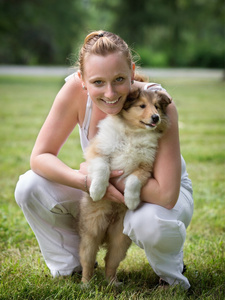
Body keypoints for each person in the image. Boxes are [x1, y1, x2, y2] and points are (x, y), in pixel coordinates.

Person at [14, 30, 193, 290]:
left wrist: (109, 179)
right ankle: (70, 267)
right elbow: (40, 157)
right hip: (105, 185)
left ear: (132, 72)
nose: (110, 93)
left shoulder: (156, 103)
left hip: (159, 197)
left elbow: (165, 194)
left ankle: (171, 276)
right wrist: (85, 179)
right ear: (82, 80)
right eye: (98, 82)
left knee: (147, 222)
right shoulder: (74, 92)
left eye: (119, 79)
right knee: (30, 186)